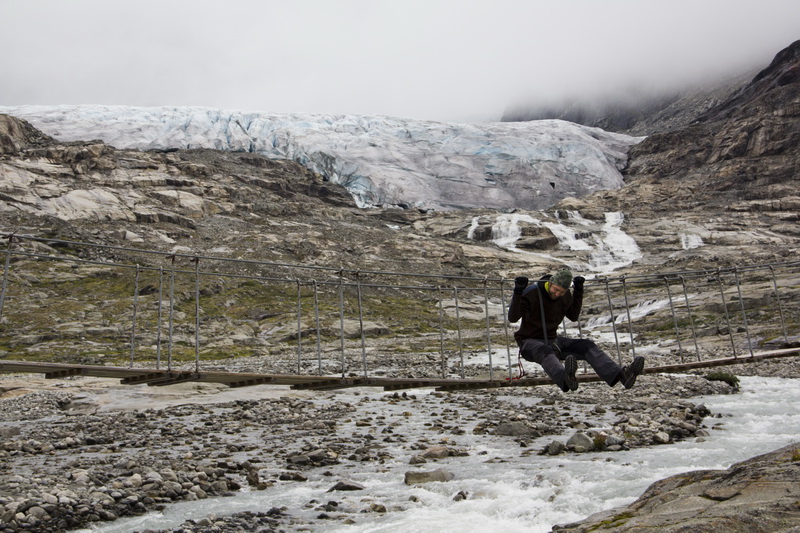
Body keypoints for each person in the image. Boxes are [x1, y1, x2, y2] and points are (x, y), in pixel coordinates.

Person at [507, 268, 644, 392]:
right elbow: (513, 318)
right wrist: (518, 292)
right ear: (551, 283)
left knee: (586, 345)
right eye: (556, 289)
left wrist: (578, 291)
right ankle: (565, 379)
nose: (558, 294)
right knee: (544, 350)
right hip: (529, 343)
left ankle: (622, 375)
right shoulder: (531, 292)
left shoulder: (565, 296)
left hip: (553, 341)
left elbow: (573, 316)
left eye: (562, 291)